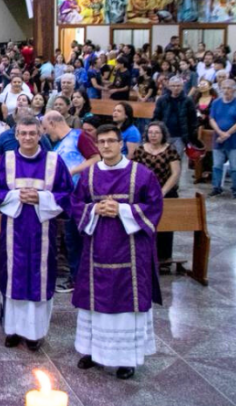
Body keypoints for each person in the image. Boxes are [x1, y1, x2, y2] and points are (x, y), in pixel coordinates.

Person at [70, 124, 163, 380]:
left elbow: (155, 206)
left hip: (131, 251)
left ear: (121, 143)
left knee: (126, 303)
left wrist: (122, 210)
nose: (106, 146)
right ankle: (92, 351)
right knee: (94, 302)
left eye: (111, 141)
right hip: (96, 249)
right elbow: (76, 204)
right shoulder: (89, 175)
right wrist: (94, 209)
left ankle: (126, 359)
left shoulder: (142, 174)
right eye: (102, 141)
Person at [0, 117, 73, 351]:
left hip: (42, 234)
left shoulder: (54, 162)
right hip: (12, 232)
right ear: (16, 135)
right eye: (23, 133)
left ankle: (35, 333)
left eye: (32, 133)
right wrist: (16, 196)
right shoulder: (6, 160)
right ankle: (12, 329)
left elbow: (68, 194)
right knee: (13, 277)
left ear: (40, 134)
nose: (27, 137)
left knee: (39, 278)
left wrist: (41, 198)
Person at [42, 110, 100, 293]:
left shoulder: (78, 136)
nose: (46, 133)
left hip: (82, 195)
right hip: (67, 197)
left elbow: (96, 158)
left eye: (45, 128)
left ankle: (81, 278)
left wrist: (74, 170)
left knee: (78, 238)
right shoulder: (58, 145)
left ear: (53, 123)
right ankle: (76, 276)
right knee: (71, 238)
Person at [131, 122, 181, 272]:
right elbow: (134, 171)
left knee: (166, 228)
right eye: (150, 132)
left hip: (167, 193)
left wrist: (162, 191)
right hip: (145, 194)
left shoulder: (170, 150)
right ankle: (145, 258)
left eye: (157, 132)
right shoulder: (140, 150)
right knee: (145, 226)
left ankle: (164, 261)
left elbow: (175, 173)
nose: (153, 135)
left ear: (163, 134)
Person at [209, 80, 236, 199]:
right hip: (218, 139)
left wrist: (227, 134)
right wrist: (220, 132)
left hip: (234, 140)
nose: (226, 90)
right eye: (224, 88)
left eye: (229, 88)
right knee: (217, 166)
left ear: (234, 89)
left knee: (234, 167)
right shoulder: (216, 103)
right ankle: (216, 188)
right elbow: (212, 119)